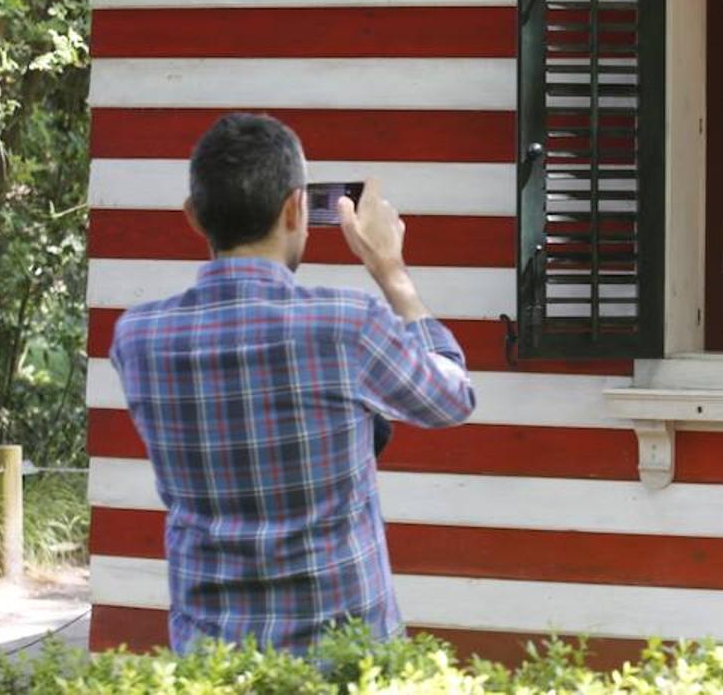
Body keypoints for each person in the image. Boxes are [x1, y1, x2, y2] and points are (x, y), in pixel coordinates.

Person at [109, 113, 476, 654]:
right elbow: (452, 398)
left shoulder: (138, 337)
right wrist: (391, 270)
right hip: (345, 658)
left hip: (212, 661)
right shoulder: (347, 326)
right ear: (295, 208)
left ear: (194, 217)